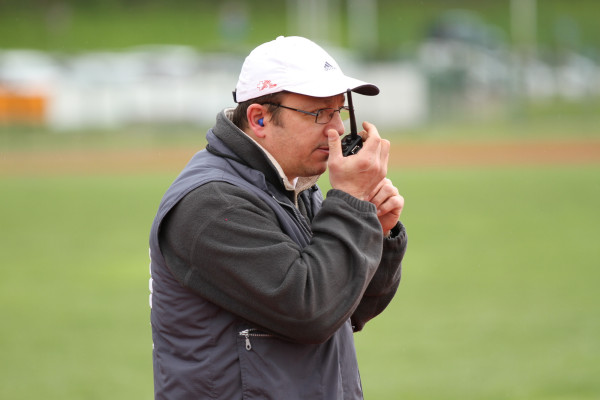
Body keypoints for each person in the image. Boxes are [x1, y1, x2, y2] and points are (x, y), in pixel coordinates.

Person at [149, 36, 408, 399]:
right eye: (319, 113)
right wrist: (350, 202)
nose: (336, 129)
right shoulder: (212, 204)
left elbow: (350, 309)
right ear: (259, 119)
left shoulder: (294, 186)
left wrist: (374, 230)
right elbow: (312, 312)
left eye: (339, 111)